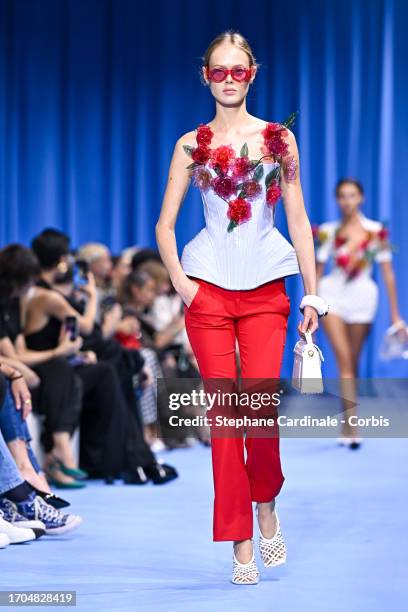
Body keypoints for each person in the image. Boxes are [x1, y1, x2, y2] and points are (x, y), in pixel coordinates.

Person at [155, 29, 328, 585]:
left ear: (253, 74)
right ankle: (239, 542)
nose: (229, 79)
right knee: (224, 421)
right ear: (204, 76)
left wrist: (313, 294)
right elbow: (165, 224)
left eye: (239, 70)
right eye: (218, 71)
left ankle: (266, 503)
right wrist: (183, 285)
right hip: (206, 291)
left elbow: (298, 220)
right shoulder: (190, 144)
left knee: (259, 414)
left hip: (265, 294)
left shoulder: (279, 140)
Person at [313, 178, 405, 448]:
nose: (347, 201)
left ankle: (347, 422)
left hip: (363, 297)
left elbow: (388, 275)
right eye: (342, 196)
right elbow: (317, 272)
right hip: (331, 296)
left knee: (352, 362)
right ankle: (350, 427)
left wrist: (395, 315)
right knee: (344, 362)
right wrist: (311, 308)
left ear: (361, 198)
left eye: (352, 195)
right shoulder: (329, 231)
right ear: (337, 199)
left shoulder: (376, 231)